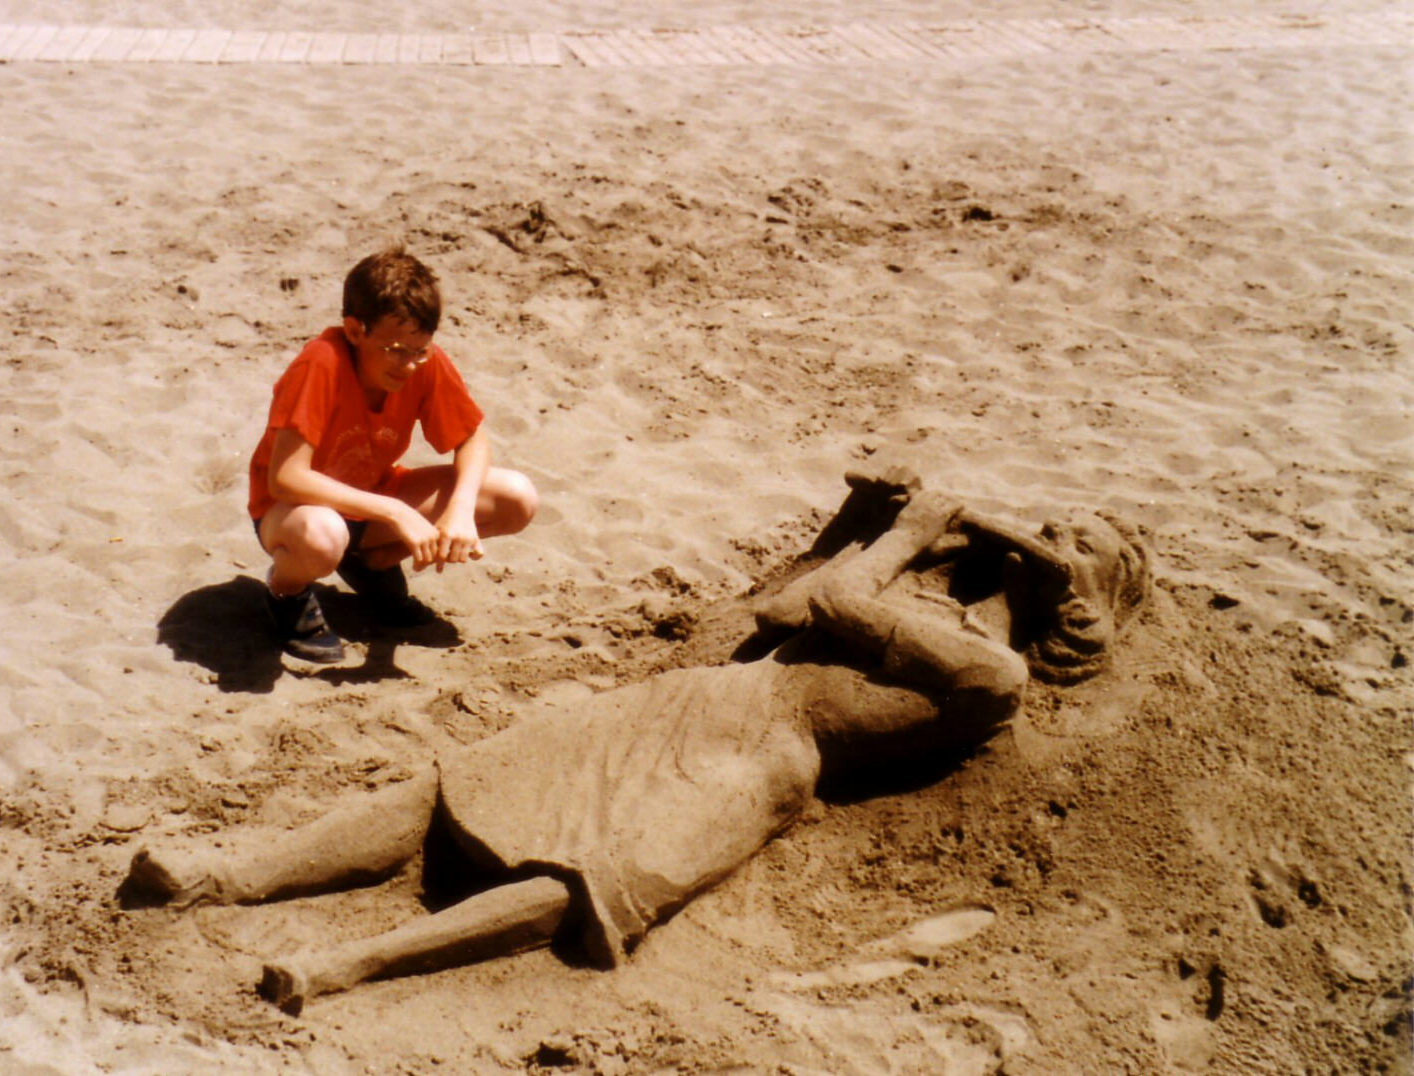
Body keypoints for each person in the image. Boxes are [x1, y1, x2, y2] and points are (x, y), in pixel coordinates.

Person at [125, 473, 1150, 1014]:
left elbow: (840, 597)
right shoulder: (941, 608)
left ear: (1091, 595)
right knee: (466, 780)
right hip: (703, 699)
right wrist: (875, 523)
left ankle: (345, 964)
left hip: (758, 764)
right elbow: (799, 599)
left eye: (1085, 542)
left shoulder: (991, 670)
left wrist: (911, 533)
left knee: (590, 883)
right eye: (1061, 521)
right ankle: (228, 872)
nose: (1058, 533)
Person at [247, 246, 538, 660]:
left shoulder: (423, 362)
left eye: (420, 350)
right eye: (395, 350)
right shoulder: (320, 363)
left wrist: (459, 509)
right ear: (354, 331)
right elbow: (287, 478)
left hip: (370, 498)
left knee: (517, 498)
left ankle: (375, 560)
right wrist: (396, 513)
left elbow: (473, 439)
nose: (409, 365)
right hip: (292, 512)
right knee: (324, 535)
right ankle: (286, 591)